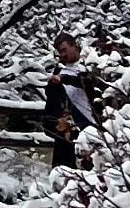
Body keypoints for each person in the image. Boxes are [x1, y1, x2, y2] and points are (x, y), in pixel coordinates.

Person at [42, 32, 105, 169]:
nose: (62, 54)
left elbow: (90, 82)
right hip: (68, 136)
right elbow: (51, 109)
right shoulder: (58, 72)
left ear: (74, 46)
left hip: (93, 129)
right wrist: (55, 125)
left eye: (64, 50)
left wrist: (65, 79)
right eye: (60, 52)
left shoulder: (91, 64)